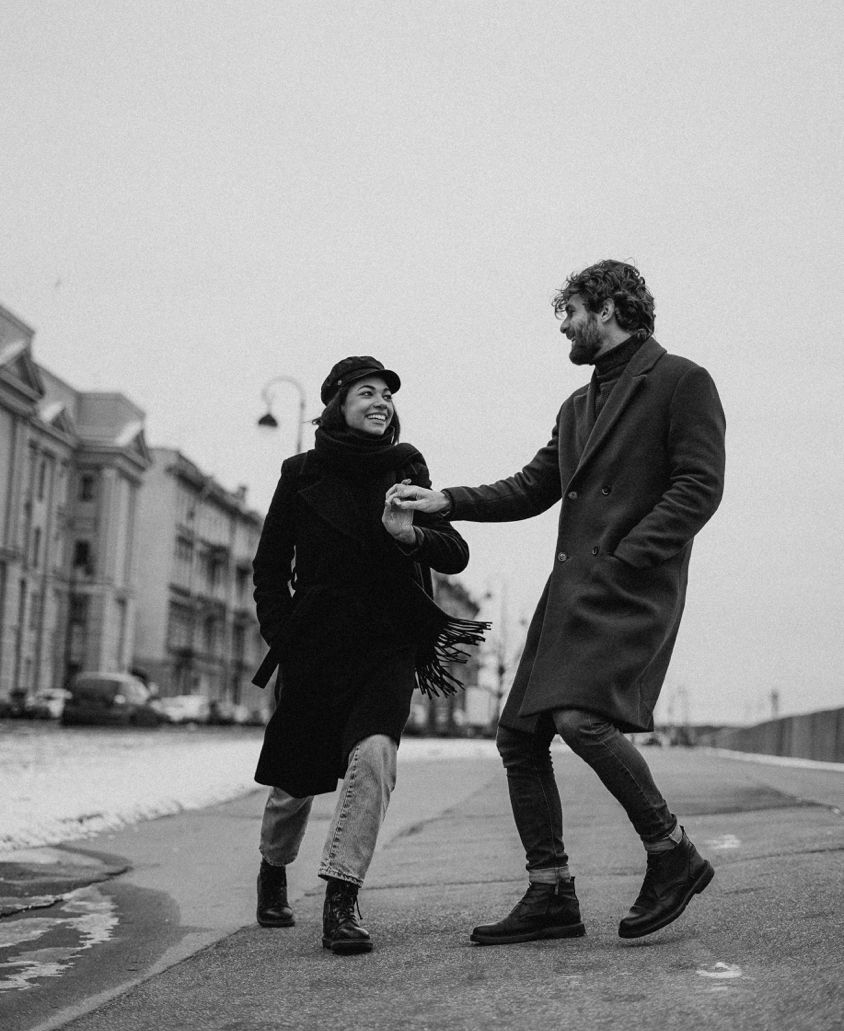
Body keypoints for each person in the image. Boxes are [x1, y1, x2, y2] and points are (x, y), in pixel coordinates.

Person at [387, 260, 726, 943]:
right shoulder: (577, 406)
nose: (563, 327)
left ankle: (671, 851)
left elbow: (698, 485)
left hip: (629, 588)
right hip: (571, 594)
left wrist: (629, 556)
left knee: (581, 719)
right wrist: (446, 502)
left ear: (606, 307)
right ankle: (551, 891)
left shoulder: (682, 381)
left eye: (569, 312)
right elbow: (532, 486)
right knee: (518, 735)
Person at [251, 356, 488, 955]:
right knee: (293, 779)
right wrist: (283, 633)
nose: (380, 401)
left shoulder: (406, 466)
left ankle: (341, 896)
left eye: (386, 393)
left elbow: (454, 552)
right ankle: (274, 868)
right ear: (337, 403)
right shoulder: (299, 471)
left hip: (387, 637)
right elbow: (270, 566)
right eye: (366, 392)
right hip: (316, 640)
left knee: (375, 756)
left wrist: (409, 534)